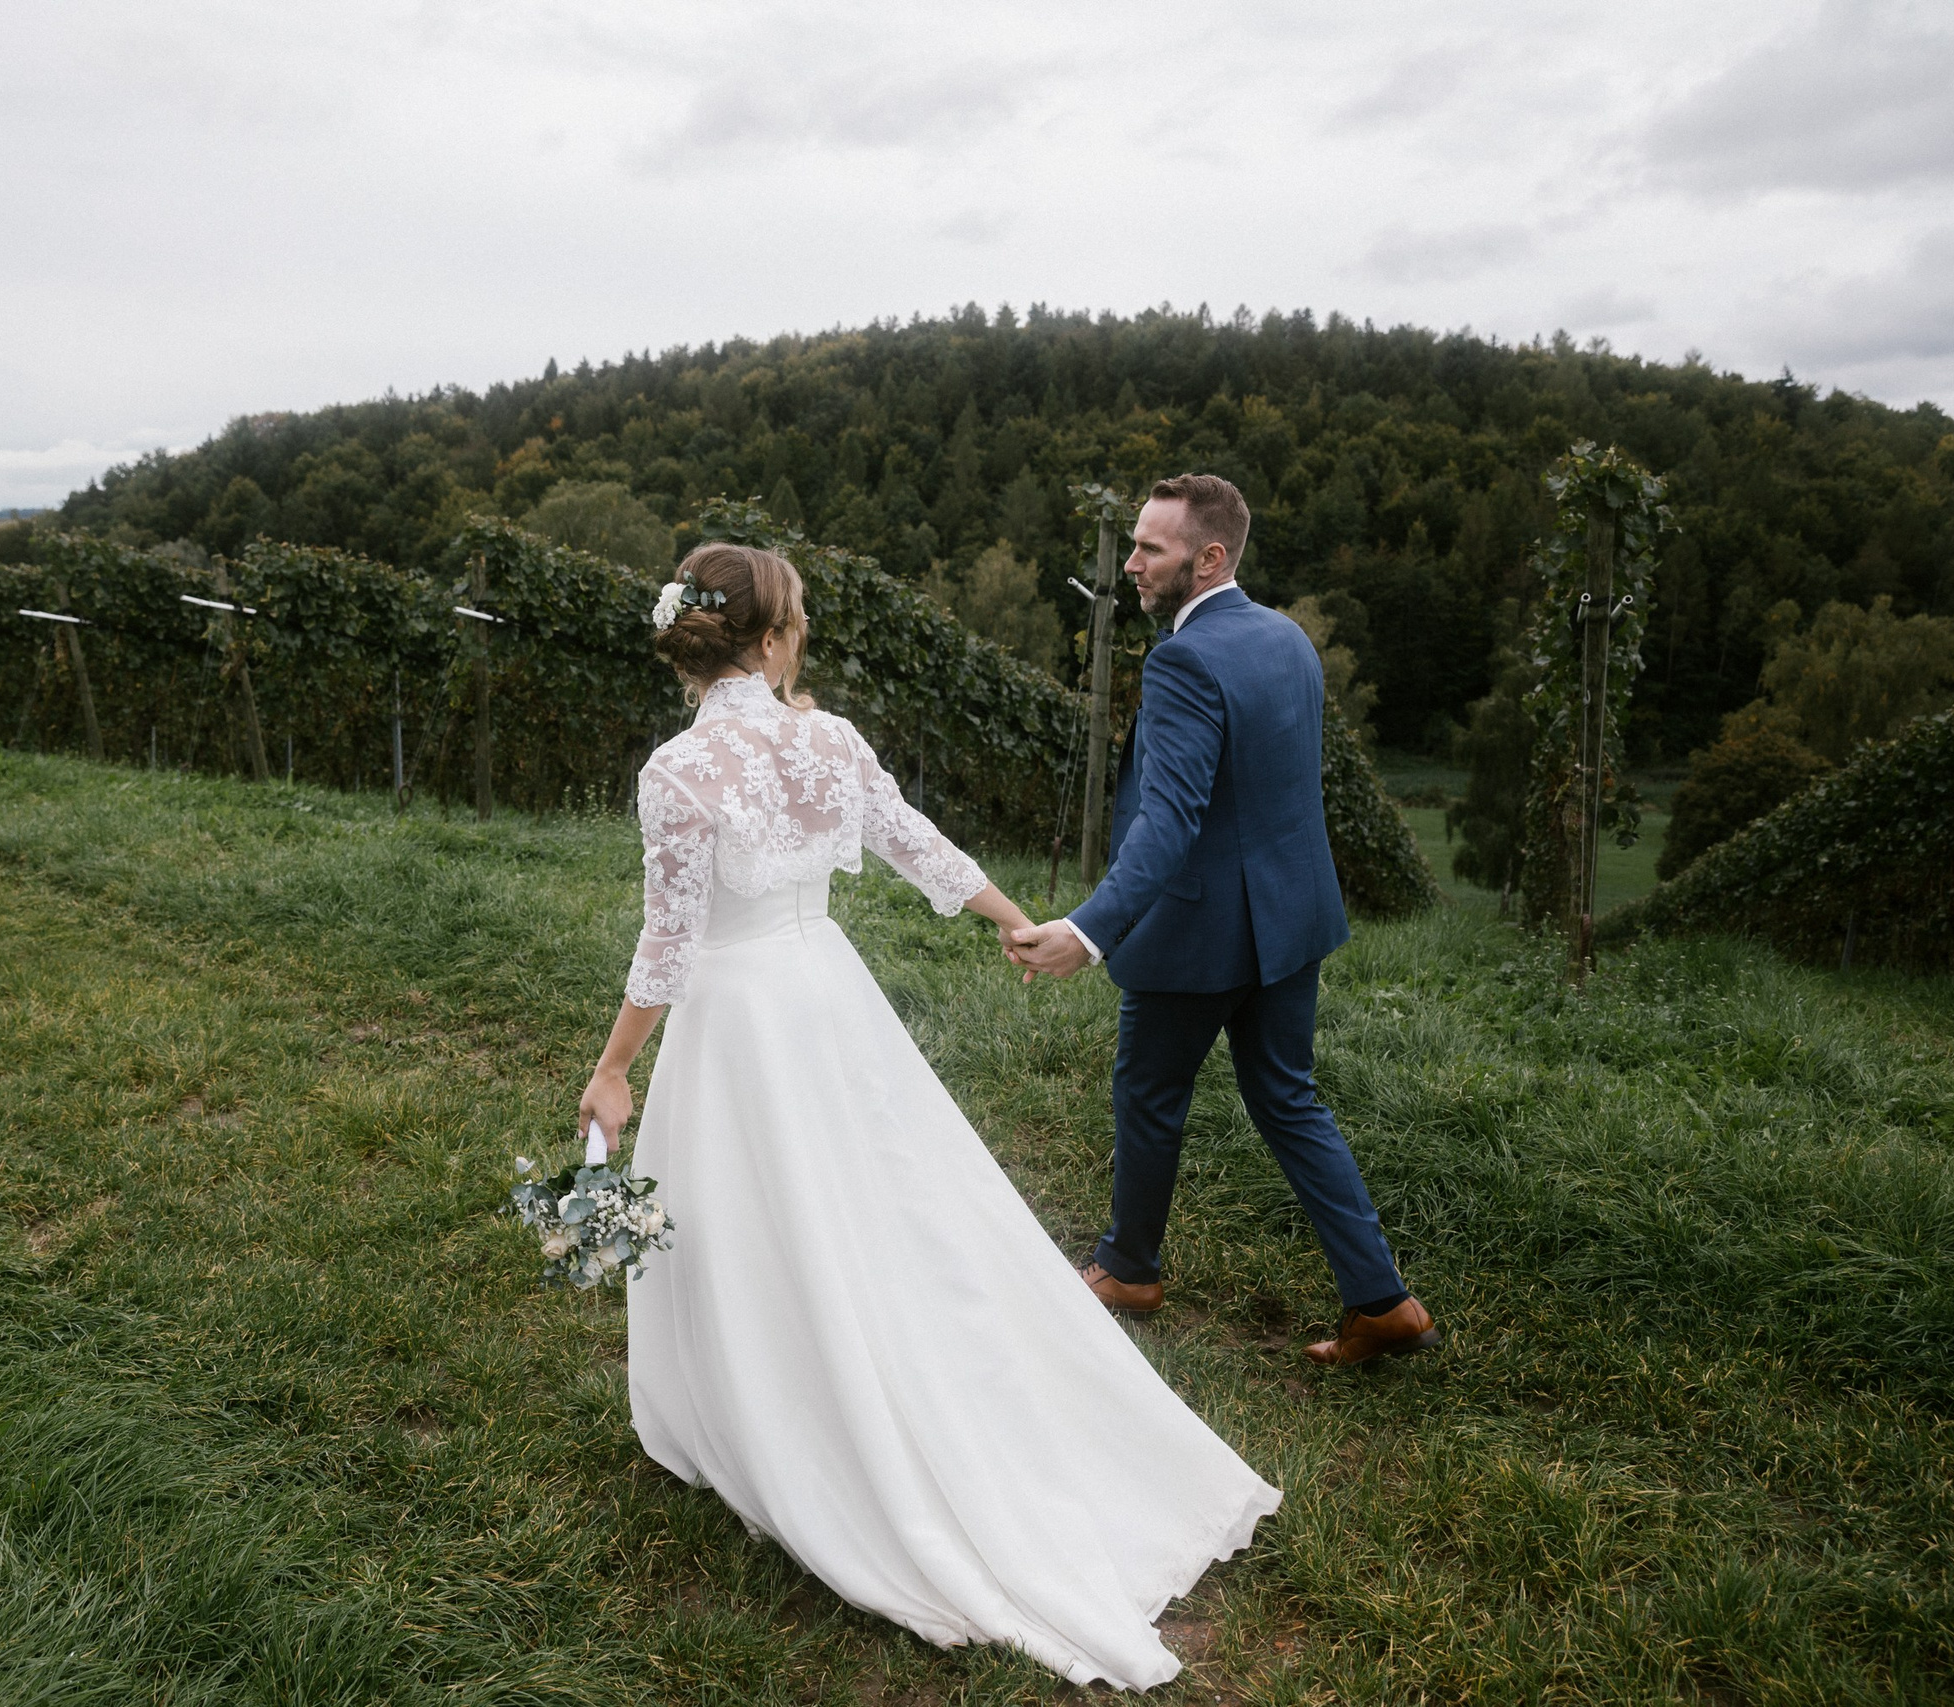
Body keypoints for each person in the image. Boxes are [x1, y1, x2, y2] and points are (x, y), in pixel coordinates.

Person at [577, 542, 1280, 1691]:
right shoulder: (831, 739)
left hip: (739, 1016)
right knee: (872, 1200)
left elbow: (671, 940)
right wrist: (1013, 917)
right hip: (825, 993)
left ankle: (771, 1413)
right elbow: (916, 845)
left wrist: (613, 1070)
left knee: (750, 1215)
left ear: (693, 639)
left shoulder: (679, 770)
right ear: (774, 638)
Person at [1005, 474, 1441, 1367]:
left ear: (1208, 558)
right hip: (1289, 918)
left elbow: (1168, 822)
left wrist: (1088, 931)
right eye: (1134, 543)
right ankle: (1384, 1299)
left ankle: (1128, 1269)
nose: (1131, 563)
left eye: (1150, 548)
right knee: (1288, 1097)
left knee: (1149, 1092)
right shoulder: (1288, 638)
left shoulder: (1183, 661)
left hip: (1197, 929)